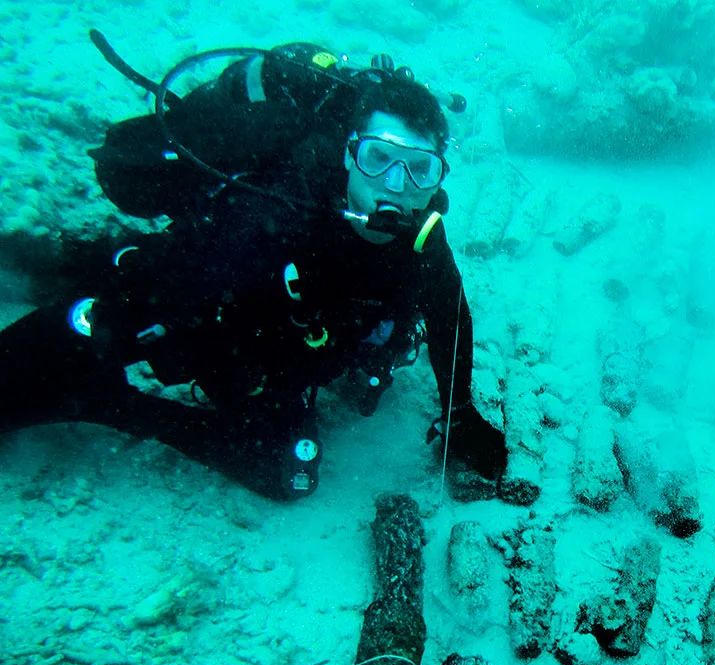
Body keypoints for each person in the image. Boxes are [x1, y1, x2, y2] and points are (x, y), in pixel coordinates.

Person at [0, 43, 507, 500]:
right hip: (225, 323)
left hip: (292, 351)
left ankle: (103, 382)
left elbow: (450, 315)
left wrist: (459, 412)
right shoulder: (278, 209)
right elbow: (162, 296)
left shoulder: (423, 237)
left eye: (420, 169)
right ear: (349, 155)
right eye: (378, 158)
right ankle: (92, 350)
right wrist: (116, 325)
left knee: (289, 473)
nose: (395, 185)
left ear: (437, 179)